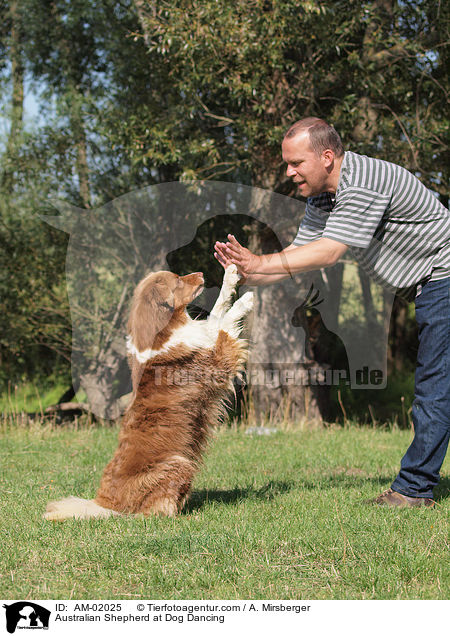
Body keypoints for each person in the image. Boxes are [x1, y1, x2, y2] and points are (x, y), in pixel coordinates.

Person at [214, 117, 450, 508]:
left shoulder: (364, 181)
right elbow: (299, 254)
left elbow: (330, 251)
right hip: (430, 285)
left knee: (434, 384)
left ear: (326, 157)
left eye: (296, 163)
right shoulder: (325, 196)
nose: (289, 173)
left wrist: (261, 262)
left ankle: (413, 489)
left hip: (445, 277)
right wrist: (245, 273)